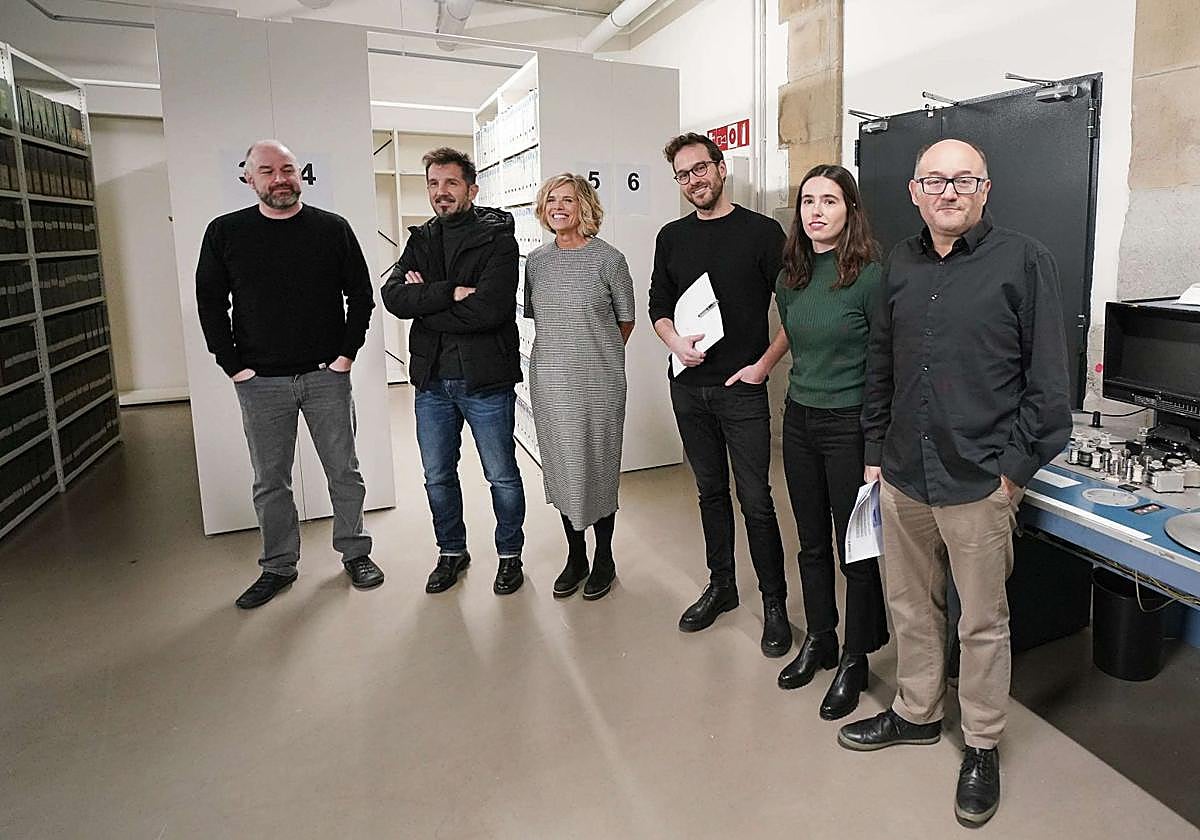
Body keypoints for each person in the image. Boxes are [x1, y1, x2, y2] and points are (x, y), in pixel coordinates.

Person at [838, 139, 1071, 827]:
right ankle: (915, 712)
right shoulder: (900, 266)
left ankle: (982, 743)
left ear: (985, 189)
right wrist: (876, 452)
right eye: (935, 180)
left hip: (979, 483)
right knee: (911, 608)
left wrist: (1010, 475)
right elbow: (881, 361)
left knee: (982, 623)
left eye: (963, 179)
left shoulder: (1025, 262)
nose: (949, 191)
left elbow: (1049, 384)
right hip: (905, 474)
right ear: (914, 192)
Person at [196, 139, 383, 610]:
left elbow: (361, 295)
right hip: (260, 383)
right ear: (248, 178)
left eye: (287, 169)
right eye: (267, 171)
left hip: (326, 375)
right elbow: (211, 304)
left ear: (300, 174)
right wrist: (233, 365)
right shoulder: (225, 233)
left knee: (344, 471)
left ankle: (355, 552)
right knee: (270, 480)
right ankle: (278, 565)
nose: (279, 178)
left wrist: (345, 356)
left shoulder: (332, 229)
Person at [739, 164, 890, 719]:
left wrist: (875, 449)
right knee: (810, 540)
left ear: (850, 209)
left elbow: (884, 366)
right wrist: (760, 368)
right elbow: (795, 339)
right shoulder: (791, 277)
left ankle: (856, 656)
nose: (816, 211)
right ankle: (821, 637)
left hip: (851, 426)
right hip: (800, 419)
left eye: (829, 200)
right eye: (807, 201)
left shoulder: (872, 275)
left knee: (856, 548)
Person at [648, 132, 792, 657]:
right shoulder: (672, 236)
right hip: (688, 388)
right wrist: (672, 341)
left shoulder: (762, 233)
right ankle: (723, 585)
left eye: (700, 169)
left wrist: (763, 366)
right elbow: (657, 300)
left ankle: (774, 604)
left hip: (742, 391)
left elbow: (796, 307)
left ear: (720, 167)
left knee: (756, 500)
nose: (694, 181)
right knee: (710, 494)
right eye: (683, 175)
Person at [381, 147, 526, 596]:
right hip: (432, 382)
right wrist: (450, 292)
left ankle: (509, 556)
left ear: (471, 188)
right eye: (433, 183)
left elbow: (490, 310)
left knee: (500, 474)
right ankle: (451, 552)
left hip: (486, 378)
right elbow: (392, 297)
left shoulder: (498, 237)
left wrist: (426, 305)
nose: (441, 192)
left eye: (451, 183)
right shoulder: (421, 238)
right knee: (437, 475)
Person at [524, 173, 635, 601]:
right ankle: (576, 557)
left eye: (567, 200)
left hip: (599, 384)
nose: (558, 207)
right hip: (550, 382)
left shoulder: (610, 260)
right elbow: (541, 316)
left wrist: (596, 357)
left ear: (584, 206)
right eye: (551, 200)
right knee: (563, 468)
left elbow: (626, 319)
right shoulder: (535, 262)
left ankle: (604, 556)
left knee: (598, 466)